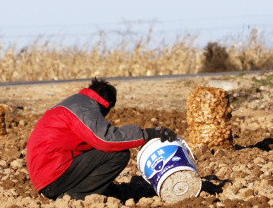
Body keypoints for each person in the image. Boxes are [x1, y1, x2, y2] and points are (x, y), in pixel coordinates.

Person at [26, 77, 177, 200]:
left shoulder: (75, 103)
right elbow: (106, 139)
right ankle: (73, 196)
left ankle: (88, 189)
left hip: (46, 174)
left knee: (98, 151)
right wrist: (148, 134)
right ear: (108, 104)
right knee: (118, 154)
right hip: (53, 177)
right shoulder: (84, 108)